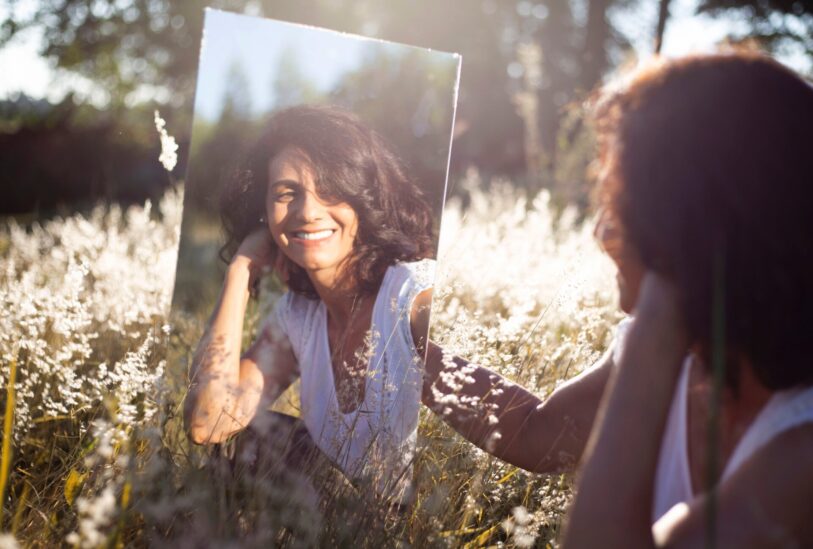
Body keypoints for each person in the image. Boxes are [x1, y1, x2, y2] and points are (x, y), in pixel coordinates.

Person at [559, 52, 813, 547]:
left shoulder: (802, 454)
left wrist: (660, 315)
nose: (603, 233)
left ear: (689, 224)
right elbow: (533, 431)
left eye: (621, 203)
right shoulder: (699, 367)